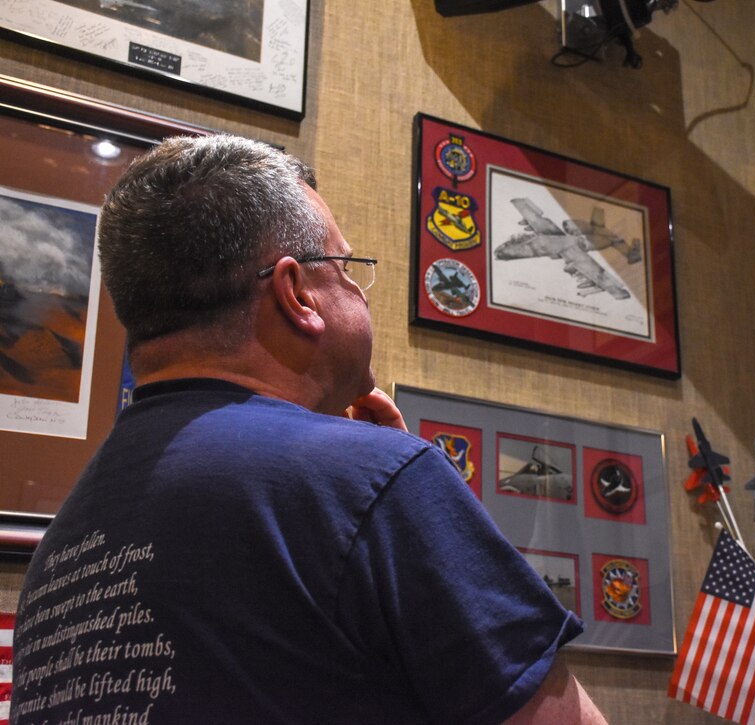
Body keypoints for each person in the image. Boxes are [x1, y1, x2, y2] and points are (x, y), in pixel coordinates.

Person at [9, 135, 605, 724]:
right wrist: (378, 475)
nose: (358, 292)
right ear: (297, 295)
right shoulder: (373, 481)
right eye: (347, 268)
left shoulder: (60, 554)